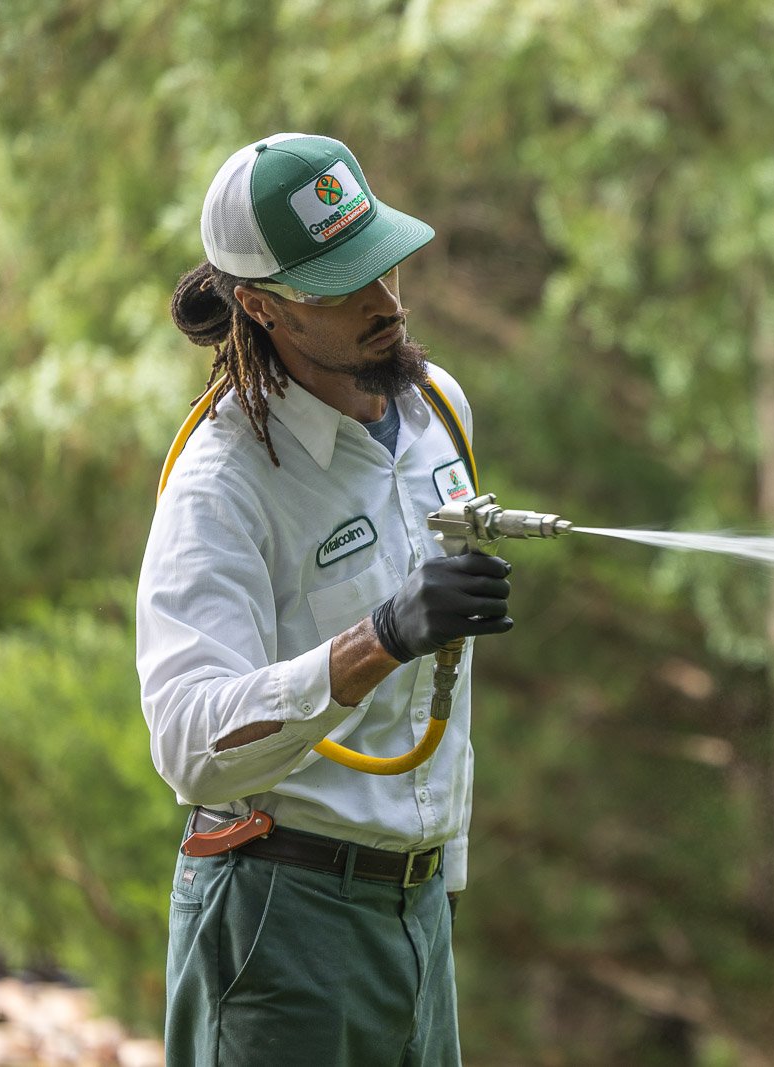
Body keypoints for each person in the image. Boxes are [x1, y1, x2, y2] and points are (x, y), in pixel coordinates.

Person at [137, 132, 513, 1066]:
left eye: (383, 262)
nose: (385, 301)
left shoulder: (439, 411)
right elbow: (186, 741)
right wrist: (380, 638)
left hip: (418, 913)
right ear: (261, 307)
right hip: (281, 918)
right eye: (343, 284)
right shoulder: (223, 483)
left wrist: (436, 883)